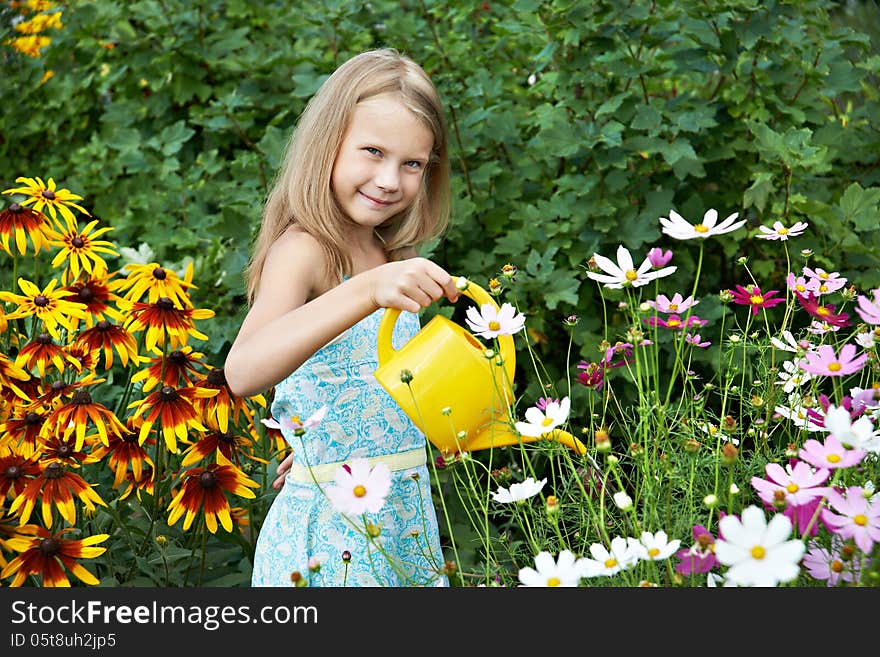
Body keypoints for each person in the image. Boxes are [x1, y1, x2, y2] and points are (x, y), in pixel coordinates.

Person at [224, 48, 460, 587]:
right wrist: (368, 290)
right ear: (326, 146)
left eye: (412, 164)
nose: (388, 179)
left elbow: (368, 392)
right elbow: (243, 371)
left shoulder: (388, 256)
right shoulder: (305, 249)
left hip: (402, 525)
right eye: (372, 152)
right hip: (332, 540)